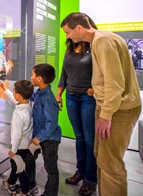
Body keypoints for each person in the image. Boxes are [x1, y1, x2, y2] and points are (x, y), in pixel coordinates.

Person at [61, 12, 142, 196]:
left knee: (110, 164)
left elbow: (114, 84)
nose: (68, 37)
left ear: (79, 28)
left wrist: (105, 116)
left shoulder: (102, 42)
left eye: (68, 32)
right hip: (113, 106)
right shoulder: (102, 39)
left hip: (118, 110)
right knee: (102, 157)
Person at [57, 39, 97, 196]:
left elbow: (101, 72)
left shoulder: (93, 49)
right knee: (79, 138)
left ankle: (90, 178)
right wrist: (59, 93)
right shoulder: (69, 50)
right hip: (71, 97)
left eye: (69, 30)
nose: (68, 34)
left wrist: (95, 88)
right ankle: (80, 171)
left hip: (88, 97)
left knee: (89, 140)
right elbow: (64, 73)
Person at [28, 63, 62, 196]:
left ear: (39, 79)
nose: (31, 77)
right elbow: (30, 97)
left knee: (51, 168)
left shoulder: (47, 98)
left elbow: (52, 123)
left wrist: (40, 138)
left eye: (33, 75)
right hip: (39, 136)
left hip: (49, 139)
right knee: (29, 159)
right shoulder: (39, 93)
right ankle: (31, 185)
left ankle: (50, 193)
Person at [0, 80, 34, 196]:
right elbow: (15, 101)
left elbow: (17, 135)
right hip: (26, 145)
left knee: (19, 169)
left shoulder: (18, 115)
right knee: (16, 165)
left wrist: (13, 150)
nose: (13, 93)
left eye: (13, 91)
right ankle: (11, 182)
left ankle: (25, 191)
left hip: (18, 147)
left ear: (18, 95)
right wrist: (5, 89)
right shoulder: (28, 105)